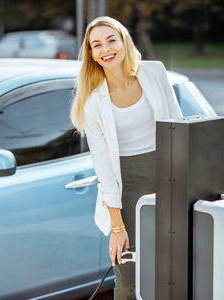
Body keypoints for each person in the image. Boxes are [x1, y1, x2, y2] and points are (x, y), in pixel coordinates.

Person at [70, 16, 182, 299]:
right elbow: (104, 169)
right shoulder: (91, 102)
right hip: (126, 187)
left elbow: (179, 127)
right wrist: (117, 227)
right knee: (128, 277)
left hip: (168, 177)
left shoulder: (154, 73)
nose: (106, 48)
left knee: (173, 269)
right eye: (96, 45)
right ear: (92, 55)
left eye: (111, 40)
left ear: (123, 41)